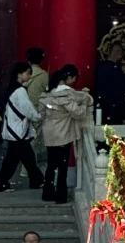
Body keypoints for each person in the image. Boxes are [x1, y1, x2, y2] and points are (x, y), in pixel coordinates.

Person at [39, 64, 93, 204]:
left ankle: (47, 192)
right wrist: (84, 104)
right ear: (70, 78)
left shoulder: (48, 93)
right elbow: (78, 113)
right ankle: (61, 195)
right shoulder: (67, 94)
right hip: (63, 132)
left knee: (51, 164)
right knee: (62, 165)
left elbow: (41, 113)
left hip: (49, 132)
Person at [0, 62, 44, 194]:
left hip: (13, 130)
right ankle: (36, 180)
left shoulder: (12, 89)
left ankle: (3, 183)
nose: (29, 75)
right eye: (27, 72)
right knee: (26, 159)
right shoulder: (20, 91)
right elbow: (28, 109)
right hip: (18, 131)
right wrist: (38, 116)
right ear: (19, 74)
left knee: (15, 159)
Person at [95, 40, 125, 124]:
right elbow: (120, 92)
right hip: (112, 107)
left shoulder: (101, 67)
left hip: (105, 107)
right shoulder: (115, 70)